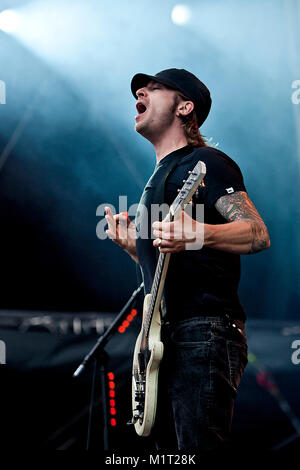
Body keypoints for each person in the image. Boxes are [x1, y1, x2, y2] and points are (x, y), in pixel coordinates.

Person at [105, 68, 270, 452]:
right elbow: (170, 270)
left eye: (154, 88)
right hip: (164, 336)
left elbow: (258, 233)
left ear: (185, 106)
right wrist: (135, 248)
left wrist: (198, 232)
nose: (140, 93)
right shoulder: (158, 177)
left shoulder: (206, 162)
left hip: (204, 330)